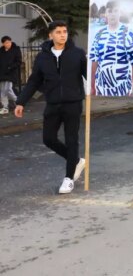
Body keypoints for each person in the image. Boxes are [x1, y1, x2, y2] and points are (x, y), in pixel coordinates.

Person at [14, 21, 87, 194]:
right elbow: (34, 81)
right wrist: (21, 101)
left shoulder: (77, 54)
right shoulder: (42, 57)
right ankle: (76, 161)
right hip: (53, 104)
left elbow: (88, 74)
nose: (63, 35)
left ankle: (69, 179)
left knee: (71, 140)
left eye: (65, 32)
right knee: (48, 139)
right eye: (59, 32)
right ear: (50, 35)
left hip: (73, 103)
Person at [90, 0, 133, 97]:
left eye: (116, 11)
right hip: (102, 90)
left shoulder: (127, 33)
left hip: (123, 89)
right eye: (110, 11)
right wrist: (92, 87)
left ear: (120, 13)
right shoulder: (99, 34)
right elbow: (94, 62)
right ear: (105, 14)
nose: (113, 14)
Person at [0, 36, 21, 114]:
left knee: (7, 89)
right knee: (3, 90)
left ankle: (18, 102)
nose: (8, 44)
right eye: (6, 43)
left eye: (9, 42)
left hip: (11, 73)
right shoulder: (1, 50)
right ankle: (6, 107)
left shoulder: (16, 49)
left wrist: (10, 67)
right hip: (2, 73)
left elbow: (19, 61)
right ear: (3, 43)